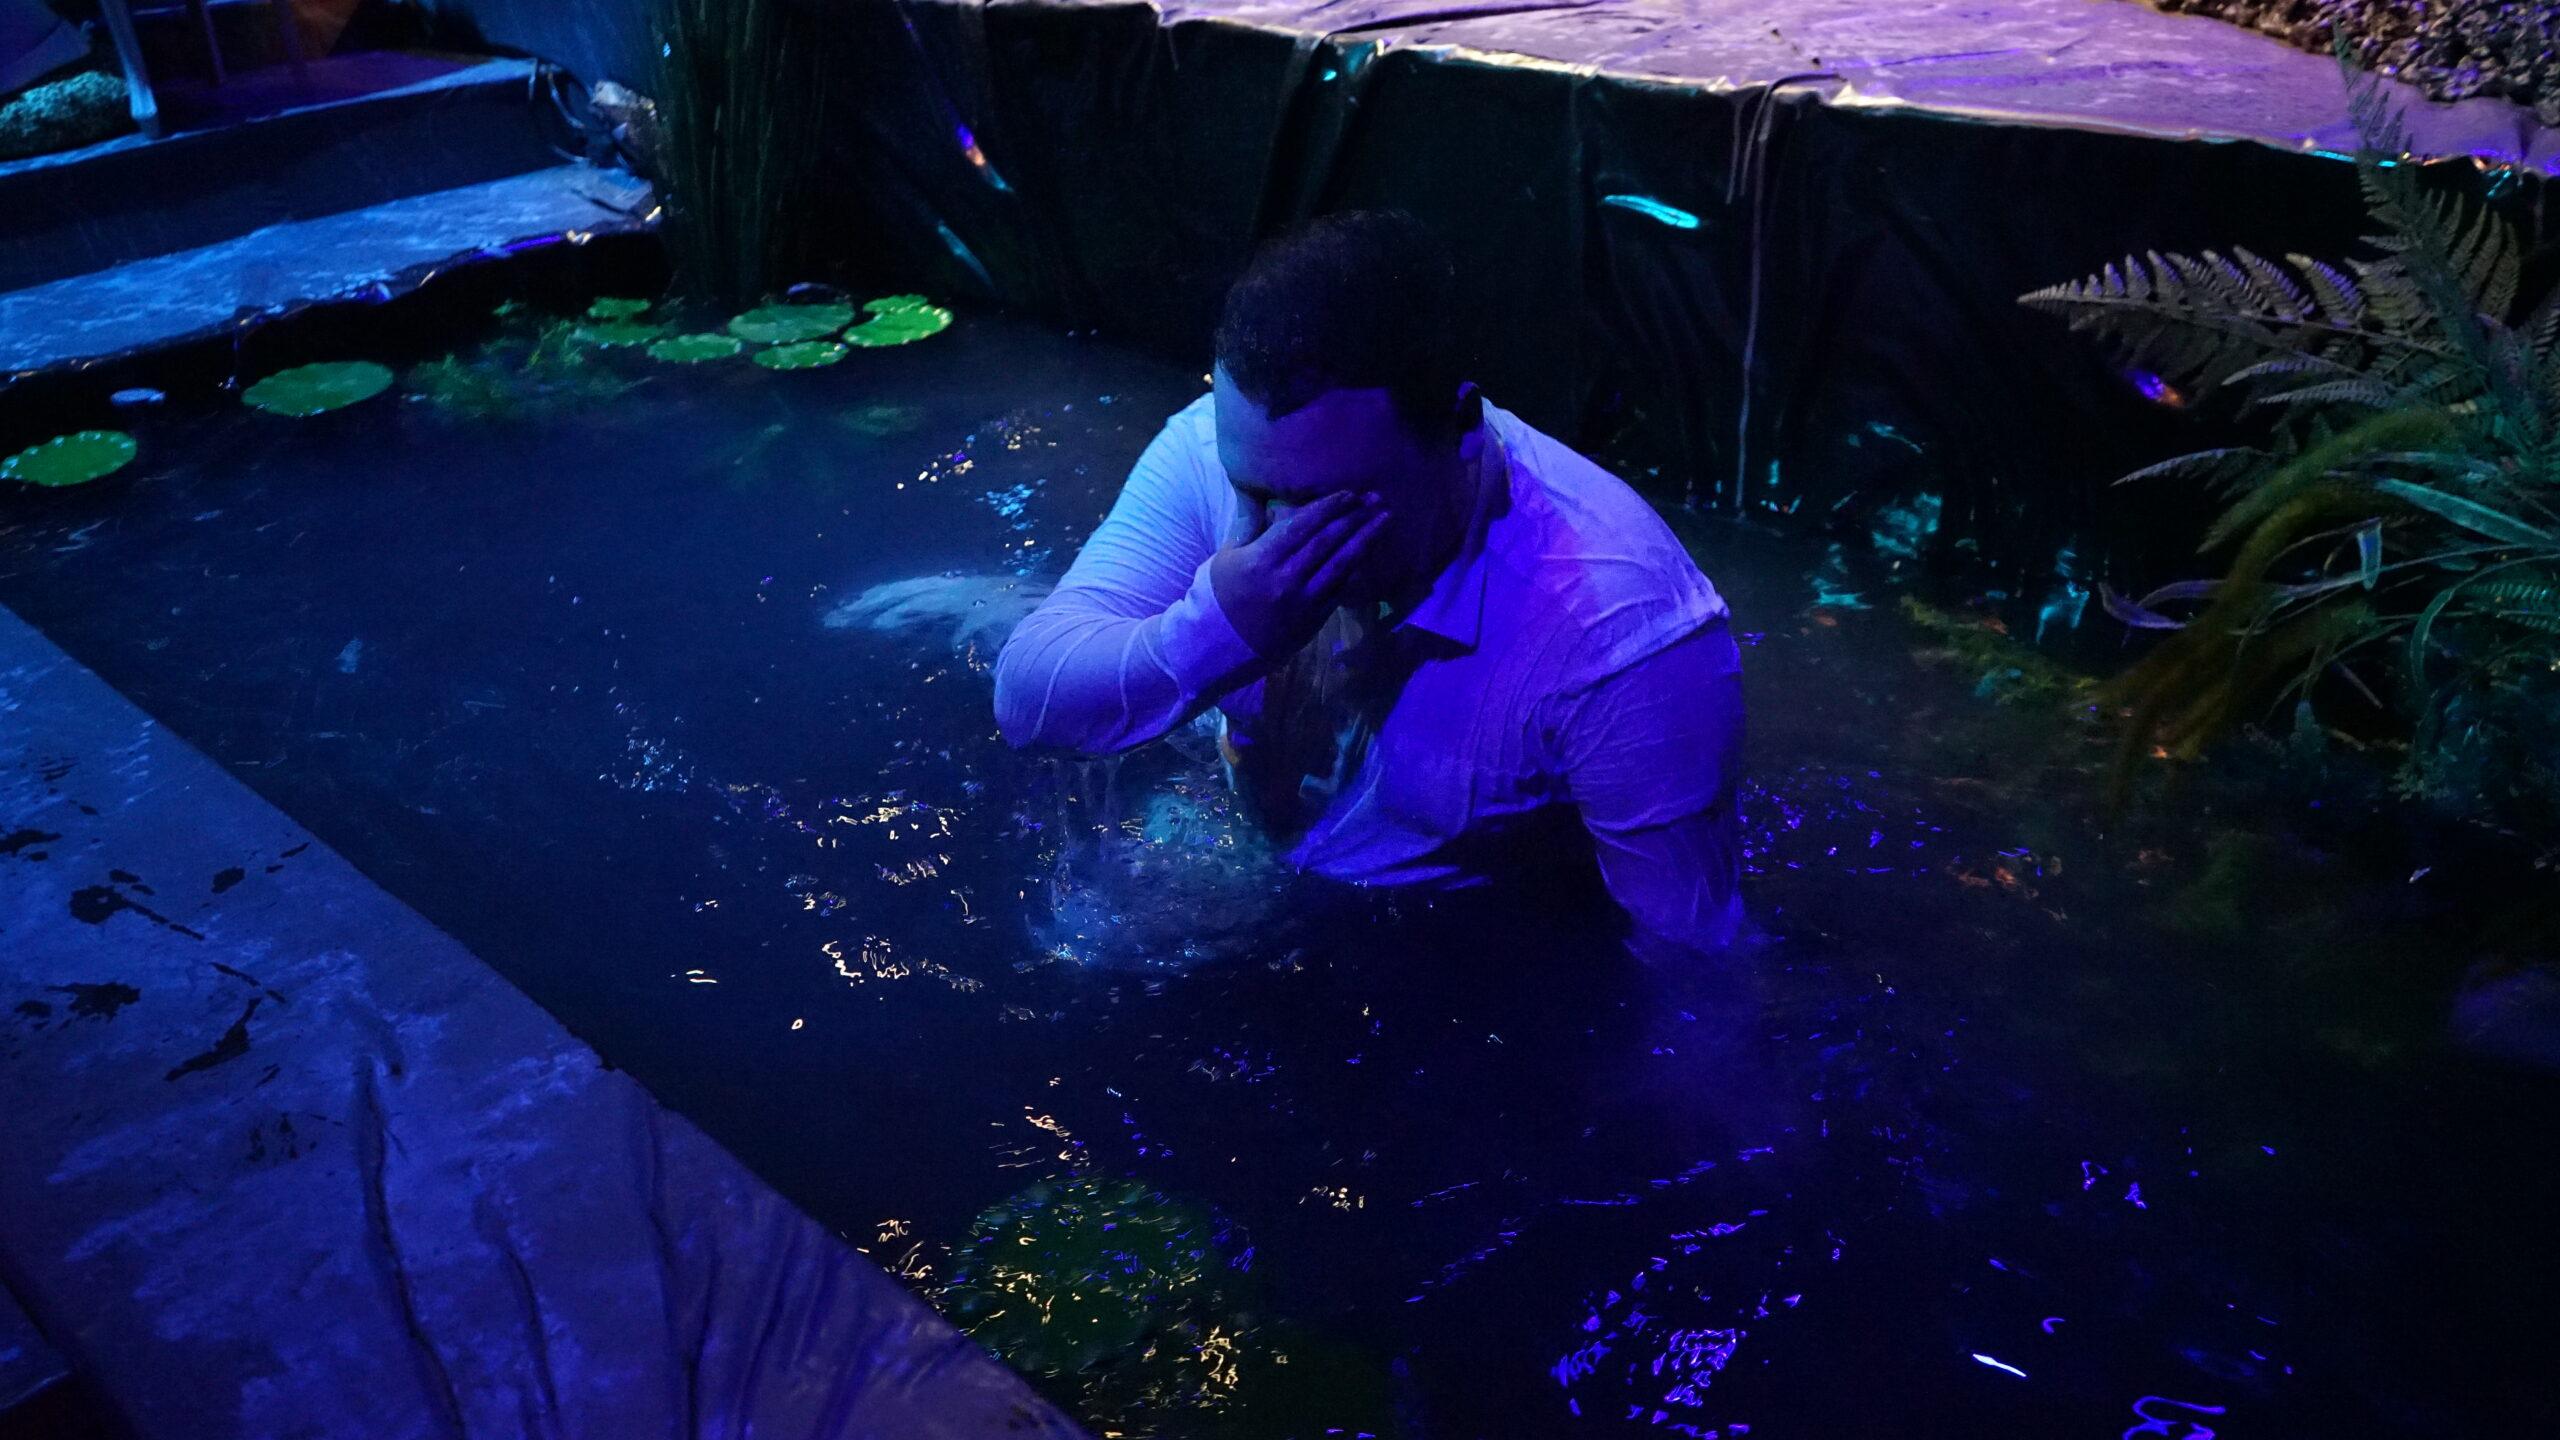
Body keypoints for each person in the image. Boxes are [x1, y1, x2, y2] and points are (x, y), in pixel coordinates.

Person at [993, 211, 1745, 959]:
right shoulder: (1213, 447)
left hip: (1445, 946)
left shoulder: (1626, 640)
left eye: (1327, 504)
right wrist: (1216, 631)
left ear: (1460, 428)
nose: (1274, 539)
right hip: (1258, 860)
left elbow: (1690, 955)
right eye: (1251, 490)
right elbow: (1028, 698)